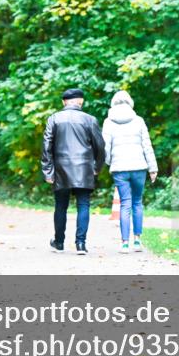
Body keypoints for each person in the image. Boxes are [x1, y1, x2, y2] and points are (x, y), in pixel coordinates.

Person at [41, 88, 105, 255]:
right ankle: (81, 244)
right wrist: (96, 168)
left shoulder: (54, 118)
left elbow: (46, 146)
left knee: (60, 206)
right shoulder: (90, 119)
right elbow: (100, 147)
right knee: (83, 205)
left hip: (61, 170)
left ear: (64, 102)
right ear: (81, 102)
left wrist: (48, 171)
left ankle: (59, 243)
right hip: (84, 169)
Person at [102, 90, 158, 254]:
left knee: (125, 204)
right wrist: (153, 168)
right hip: (139, 167)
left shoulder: (108, 122)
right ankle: (137, 241)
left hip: (120, 169)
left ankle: (124, 243)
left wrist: (110, 163)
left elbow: (106, 148)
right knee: (137, 202)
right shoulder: (138, 120)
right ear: (130, 103)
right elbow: (147, 146)